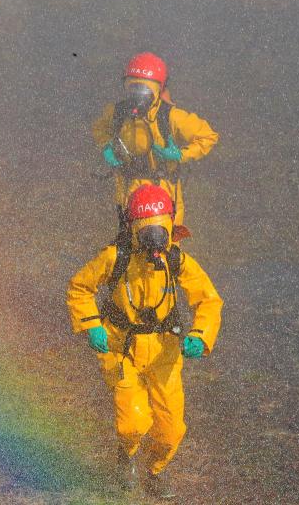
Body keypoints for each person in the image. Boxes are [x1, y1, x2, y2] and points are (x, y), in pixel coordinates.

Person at [67, 183, 223, 499]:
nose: (154, 240)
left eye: (160, 227)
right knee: (132, 423)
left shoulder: (176, 260)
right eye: (146, 228)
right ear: (133, 226)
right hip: (120, 347)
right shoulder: (115, 258)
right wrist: (91, 325)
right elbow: (79, 288)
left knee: (171, 430)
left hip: (164, 351)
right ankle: (125, 458)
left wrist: (200, 335)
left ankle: (155, 471)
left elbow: (209, 300)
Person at [92, 52, 218, 232]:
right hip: (127, 191)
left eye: (144, 90)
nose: (138, 96)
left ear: (159, 89)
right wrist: (106, 146)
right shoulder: (117, 112)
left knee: (165, 247)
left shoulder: (171, 116)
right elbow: (99, 128)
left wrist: (182, 154)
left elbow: (208, 136)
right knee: (127, 246)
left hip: (164, 193)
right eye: (133, 89)